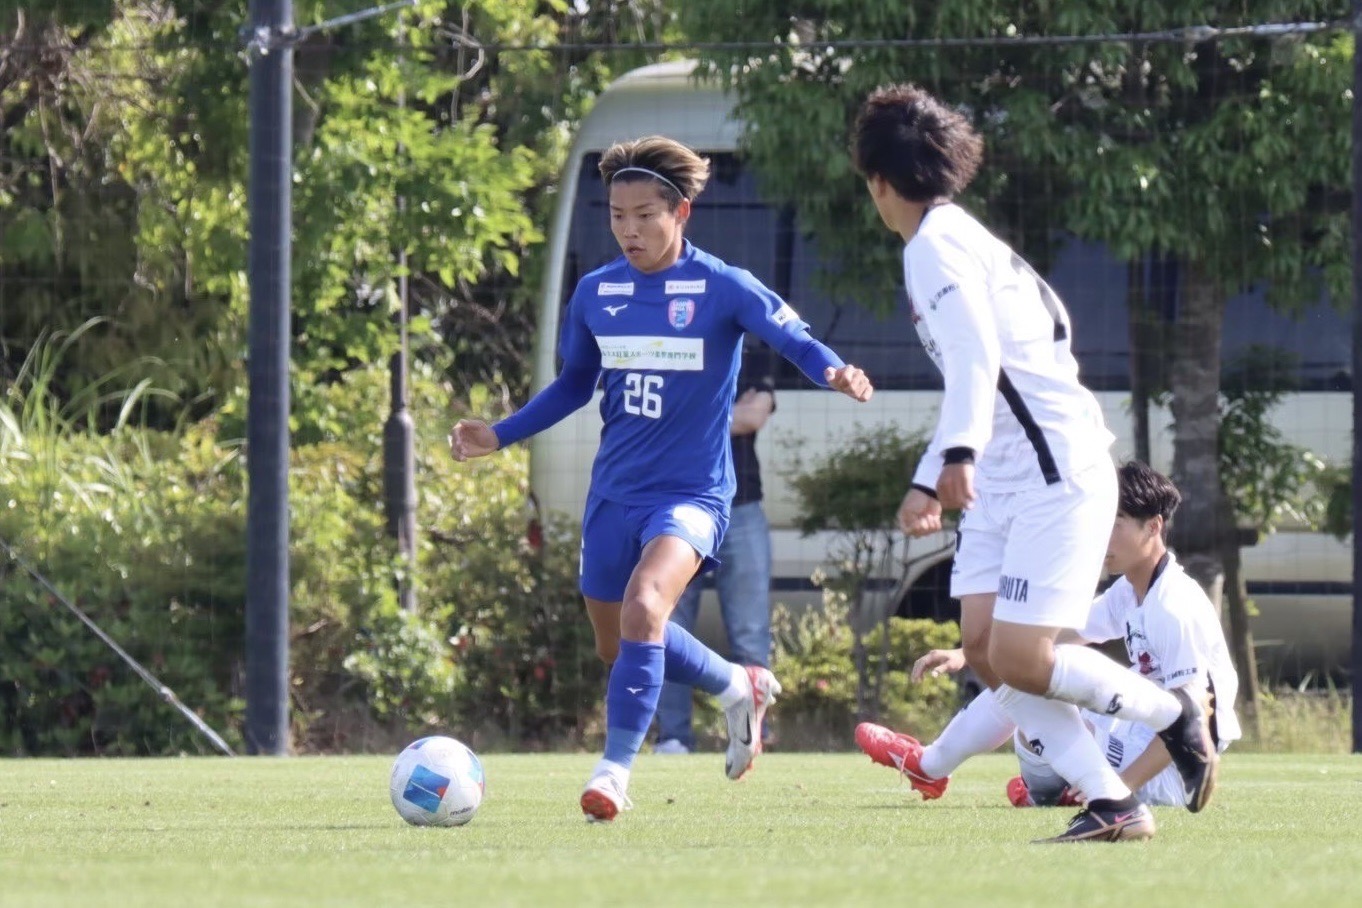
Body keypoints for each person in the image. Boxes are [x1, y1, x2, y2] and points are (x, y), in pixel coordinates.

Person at [450, 135, 873, 823]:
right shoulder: (596, 293)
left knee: (649, 607)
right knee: (617, 644)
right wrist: (500, 433)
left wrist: (832, 369)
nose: (629, 229)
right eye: (617, 215)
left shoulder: (721, 286)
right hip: (613, 494)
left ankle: (614, 773)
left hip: (694, 495)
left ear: (682, 213)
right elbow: (574, 386)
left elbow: (791, 334)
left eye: (645, 214)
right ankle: (737, 686)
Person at [849, 85, 1217, 843]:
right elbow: (983, 367)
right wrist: (952, 459)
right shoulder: (957, 237)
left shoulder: (933, 245)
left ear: (879, 181)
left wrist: (946, 461)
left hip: (1052, 472)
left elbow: (980, 358)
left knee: (1023, 654)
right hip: (1005, 482)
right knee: (987, 652)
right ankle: (1114, 803)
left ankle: (1173, 711)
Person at [858, 461, 1241, 813]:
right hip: (1135, 737)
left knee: (1028, 685)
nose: (1100, 539)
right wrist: (968, 653)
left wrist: (1119, 788)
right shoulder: (1130, 590)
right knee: (1023, 669)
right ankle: (1027, 785)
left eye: (1115, 524)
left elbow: (1196, 727)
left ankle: (934, 766)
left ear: (1153, 526)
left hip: (1170, 774)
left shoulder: (1174, 606)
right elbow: (1057, 635)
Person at [655, 348, 777, 754]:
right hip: (679, 510)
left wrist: (692, 419)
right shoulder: (669, 351)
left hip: (741, 511)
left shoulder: (753, 354)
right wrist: (724, 418)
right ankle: (673, 738)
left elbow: (754, 415)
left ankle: (751, 736)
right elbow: (658, 419)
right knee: (669, 627)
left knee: (750, 633)